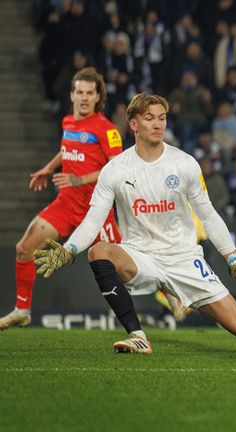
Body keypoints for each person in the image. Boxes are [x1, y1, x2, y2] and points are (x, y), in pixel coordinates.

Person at [33, 93, 236, 354]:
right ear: (133, 124)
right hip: (141, 256)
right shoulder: (115, 169)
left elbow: (209, 216)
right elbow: (93, 220)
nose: (158, 124)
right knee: (100, 251)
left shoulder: (184, 164)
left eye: (162, 118)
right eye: (149, 118)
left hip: (184, 259)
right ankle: (137, 336)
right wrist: (68, 249)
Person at [0, 68, 123, 330]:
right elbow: (68, 148)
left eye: (90, 93)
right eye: (80, 92)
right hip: (66, 205)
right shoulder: (68, 122)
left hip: (96, 210)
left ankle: (170, 292)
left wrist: (81, 179)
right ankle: (22, 310)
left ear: (98, 96)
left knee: (125, 268)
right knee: (24, 249)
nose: (84, 98)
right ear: (72, 95)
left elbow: (118, 168)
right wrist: (49, 167)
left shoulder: (107, 129)